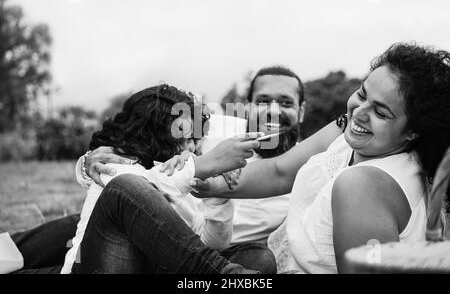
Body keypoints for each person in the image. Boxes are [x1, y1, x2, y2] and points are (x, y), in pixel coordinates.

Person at [163, 42, 450, 273]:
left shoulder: (363, 186)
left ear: (413, 131)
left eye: (381, 112)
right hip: (268, 261)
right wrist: (212, 183)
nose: (359, 113)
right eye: (362, 95)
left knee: (128, 193)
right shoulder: (349, 131)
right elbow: (280, 172)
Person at [81, 66, 306, 273]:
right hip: (136, 228)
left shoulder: (308, 168)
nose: (273, 111)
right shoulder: (216, 127)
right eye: (263, 101)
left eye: (286, 103)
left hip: (200, 247)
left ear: (302, 111)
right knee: (106, 206)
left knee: (260, 259)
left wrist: (218, 196)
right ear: (247, 106)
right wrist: (86, 163)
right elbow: (137, 144)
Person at [66, 84, 262, 274]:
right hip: (93, 267)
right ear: (153, 136)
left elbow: (208, 244)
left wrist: (219, 198)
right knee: (127, 187)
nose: (192, 148)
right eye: (182, 139)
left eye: (193, 139)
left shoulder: (179, 175)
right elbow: (140, 188)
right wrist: (204, 166)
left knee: (259, 258)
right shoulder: (114, 161)